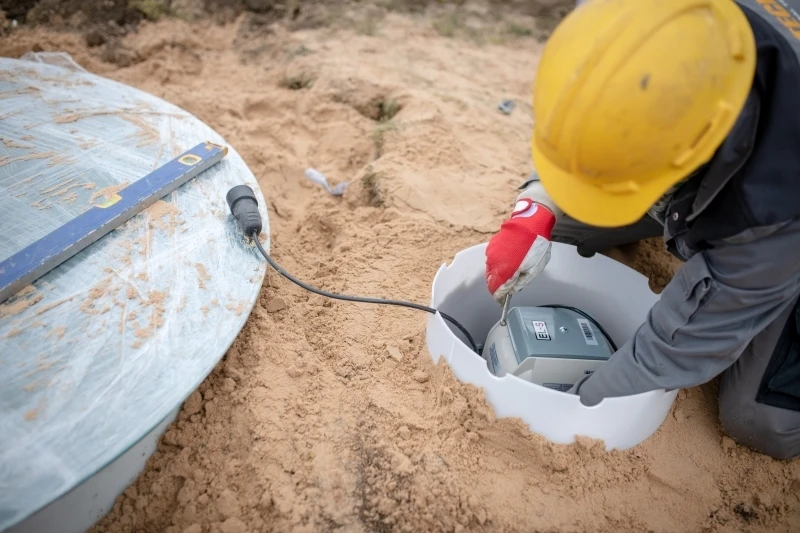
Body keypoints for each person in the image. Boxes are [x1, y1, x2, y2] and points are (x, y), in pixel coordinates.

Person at [484, 0, 800, 460]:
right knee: (560, 231)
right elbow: (584, 114)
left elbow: (681, 345)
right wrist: (535, 207)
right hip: (714, 168)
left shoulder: (774, 198)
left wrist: (586, 396)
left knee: (761, 422)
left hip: (780, 229)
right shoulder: (634, 21)